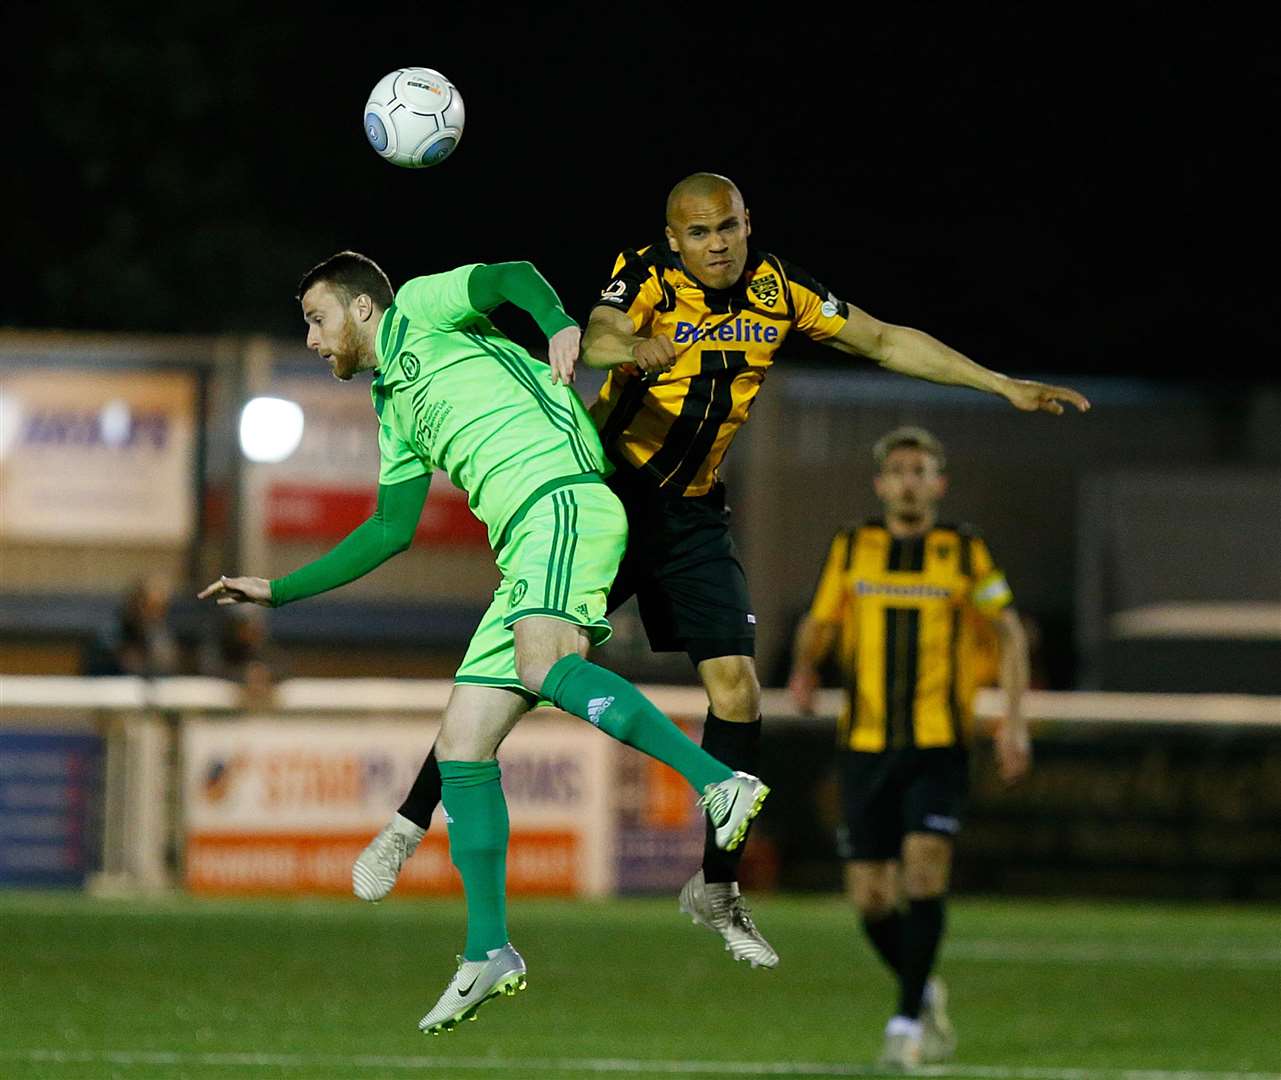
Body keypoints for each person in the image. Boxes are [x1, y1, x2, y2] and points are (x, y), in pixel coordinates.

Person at [387, 172, 1088, 970]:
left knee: (738, 690)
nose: (716, 244)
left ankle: (714, 884)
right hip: (604, 493)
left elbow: (885, 339)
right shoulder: (646, 274)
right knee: (517, 675)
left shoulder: (779, 291)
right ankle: (411, 818)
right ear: (673, 237)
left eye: (727, 227)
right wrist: (631, 346)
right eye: (698, 233)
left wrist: (1000, 385)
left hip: (688, 513)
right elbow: (603, 330)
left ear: (747, 222)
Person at [198, 251, 768, 1036]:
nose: (310, 338)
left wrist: (561, 323)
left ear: (363, 310)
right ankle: (487, 950)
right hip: (523, 545)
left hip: (563, 501)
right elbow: (391, 530)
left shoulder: (423, 310)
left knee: (545, 664)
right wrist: (280, 589)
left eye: (316, 318)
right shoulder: (394, 406)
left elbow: (508, 274)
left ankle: (716, 782)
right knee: (463, 742)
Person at [788, 425, 1033, 1069]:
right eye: (897, 470)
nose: (907, 480)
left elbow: (1008, 632)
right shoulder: (852, 546)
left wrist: (1014, 720)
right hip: (866, 746)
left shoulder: (963, 550)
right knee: (870, 899)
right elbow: (819, 620)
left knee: (924, 869)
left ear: (938, 484)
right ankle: (922, 987)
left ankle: (904, 1023)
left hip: (939, 744)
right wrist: (805, 667)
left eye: (919, 470)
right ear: (880, 483)